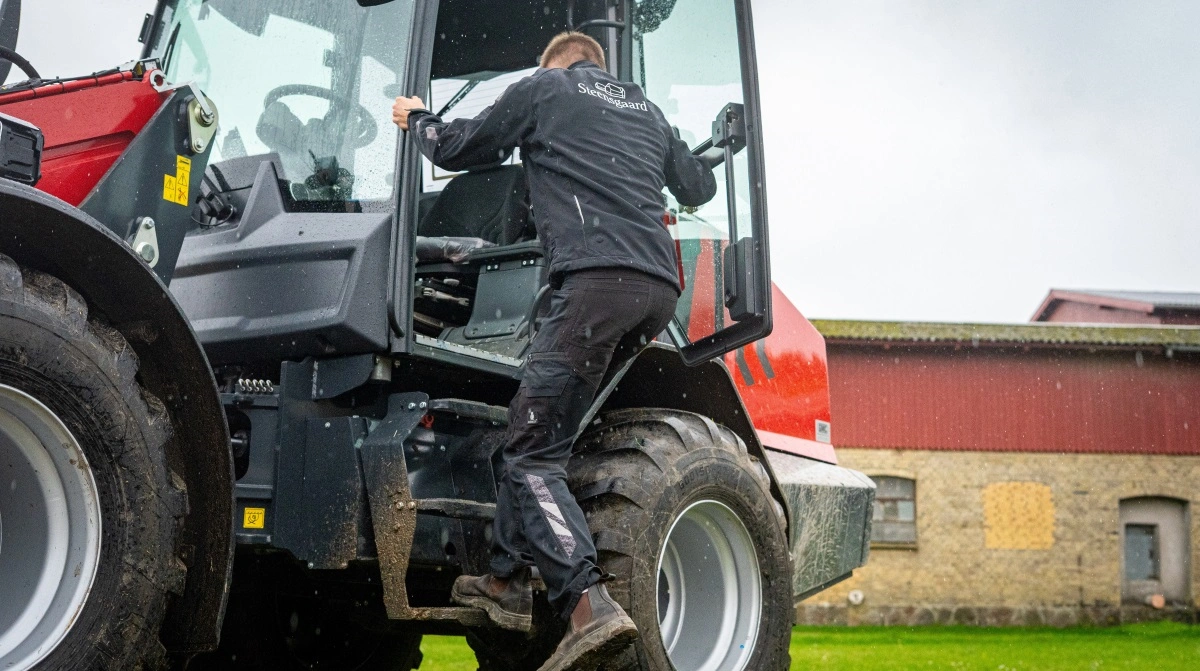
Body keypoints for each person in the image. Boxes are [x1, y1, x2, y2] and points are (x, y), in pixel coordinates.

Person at [393, 31, 715, 670]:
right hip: (655, 292)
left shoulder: (545, 88)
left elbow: (460, 148)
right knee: (540, 431)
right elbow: (698, 187)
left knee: (531, 455)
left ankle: (590, 605)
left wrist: (418, 121)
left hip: (595, 282)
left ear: (555, 65)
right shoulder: (644, 109)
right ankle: (507, 582)